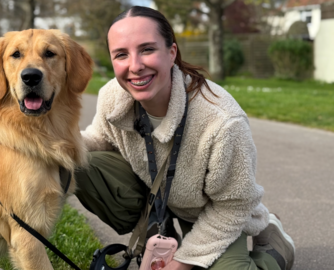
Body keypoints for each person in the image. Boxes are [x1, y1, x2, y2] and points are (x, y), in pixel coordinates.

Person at [75, 6, 295, 270]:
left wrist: (182, 263)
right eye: (121, 54)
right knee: (79, 160)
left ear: (171, 53)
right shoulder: (113, 96)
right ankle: (161, 233)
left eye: (147, 49)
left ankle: (275, 242)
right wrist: (43, 148)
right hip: (158, 201)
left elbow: (234, 205)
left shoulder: (222, 120)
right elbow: (99, 140)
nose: (135, 66)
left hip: (210, 211)